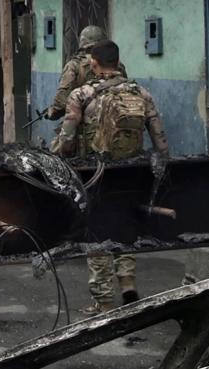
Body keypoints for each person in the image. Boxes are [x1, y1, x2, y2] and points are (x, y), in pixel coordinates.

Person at [55, 40, 169, 316]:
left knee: (96, 233)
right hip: (131, 172)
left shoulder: (82, 94)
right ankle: (128, 284)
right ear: (118, 62)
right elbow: (160, 140)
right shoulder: (141, 92)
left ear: (93, 63)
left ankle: (104, 301)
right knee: (126, 226)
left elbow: (66, 141)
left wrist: (55, 155)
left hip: (96, 174)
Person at [46, 25, 127, 120]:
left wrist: (51, 112)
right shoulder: (117, 64)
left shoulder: (74, 65)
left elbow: (61, 102)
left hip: (84, 123)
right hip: (115, 120)